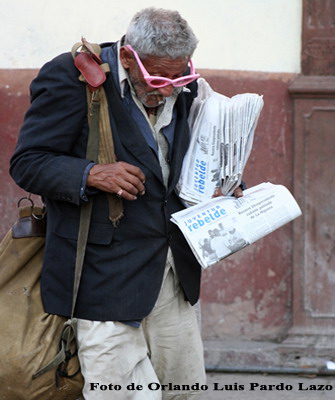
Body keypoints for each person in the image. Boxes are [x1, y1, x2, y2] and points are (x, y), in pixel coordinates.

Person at [10, 8, 243, 400]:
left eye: (179, 77)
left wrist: (228, 183)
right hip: (102, 280)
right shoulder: (71, 77)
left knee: (182, 392)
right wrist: (89, 174)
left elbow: (197, 156)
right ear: (126, 57)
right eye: (157, 78)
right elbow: (28, 162)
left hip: (172, 277)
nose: (168, 89)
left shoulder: (183, 86)